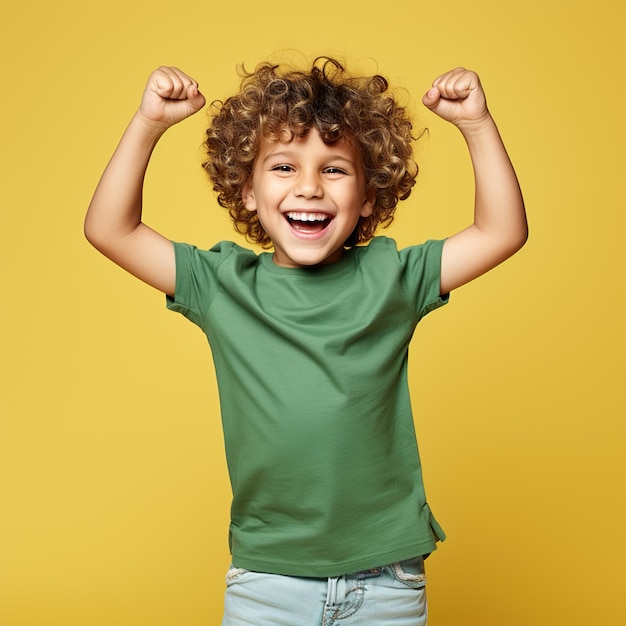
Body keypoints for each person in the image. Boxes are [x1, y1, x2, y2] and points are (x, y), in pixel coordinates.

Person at [85, 57, 527, 625]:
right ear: (246, 190)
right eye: (284, 167)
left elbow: (502, 231)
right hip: (267, 582)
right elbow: (110, 228)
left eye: (336, 170)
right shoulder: (221, 285)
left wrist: (476, 125)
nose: (310, 187)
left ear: (371, 195)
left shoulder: (393, 278)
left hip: (385, 582)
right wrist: (148, 123)